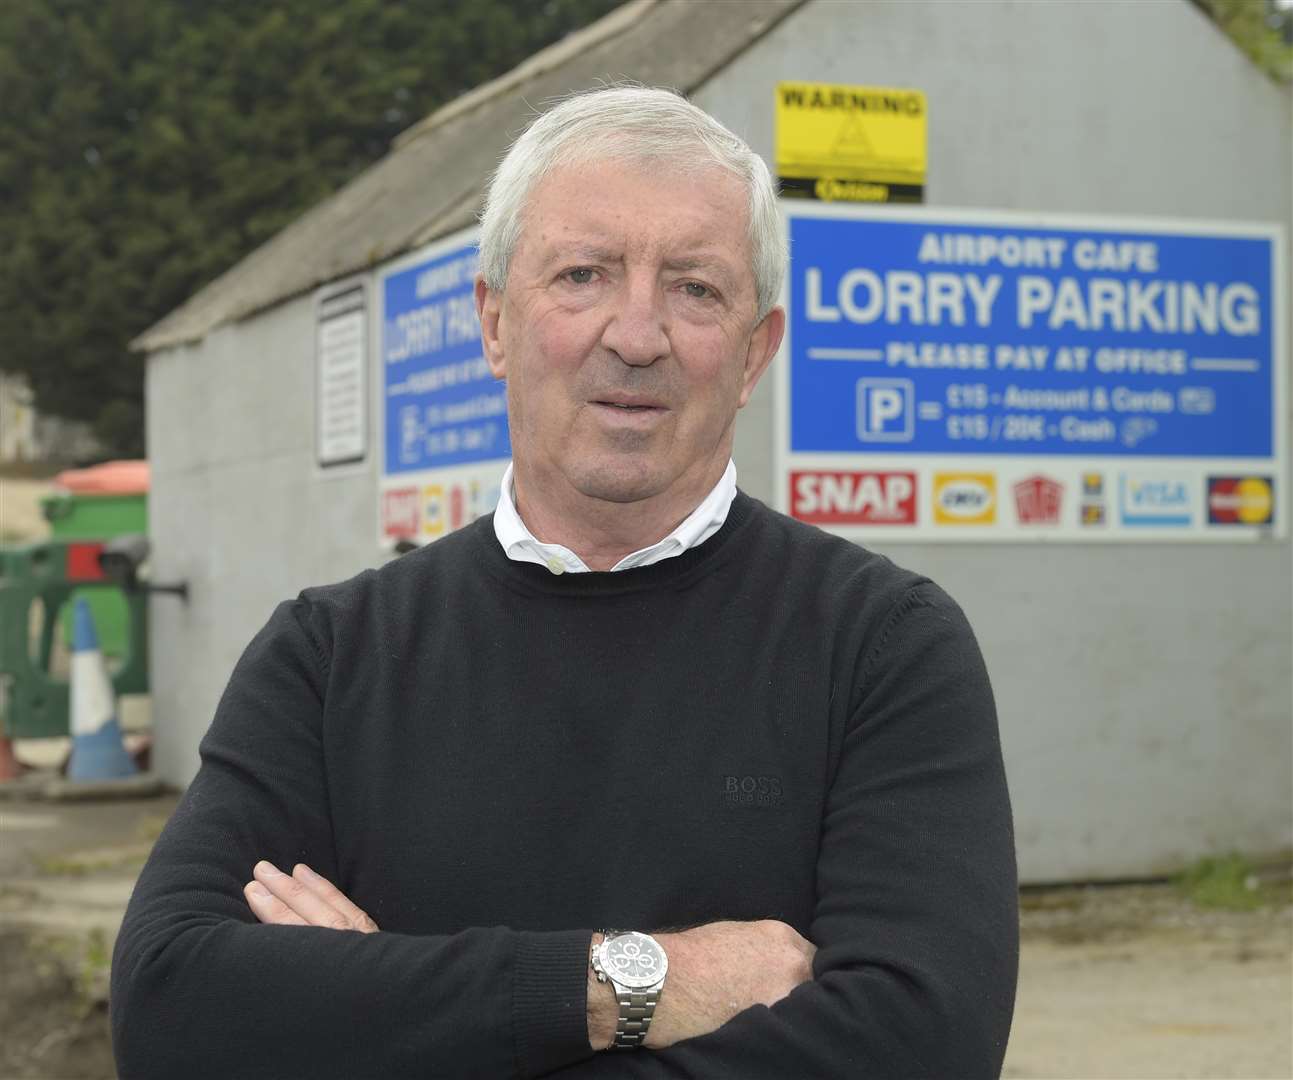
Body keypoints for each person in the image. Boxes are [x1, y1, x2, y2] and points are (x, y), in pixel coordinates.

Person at [111, 86, 1018, 1079]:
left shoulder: (883, 646)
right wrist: (635, 984)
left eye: (696, 289)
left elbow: (919, 1044)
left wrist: (384, 1016)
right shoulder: (331, 658)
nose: (637, 334)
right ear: (494, 322)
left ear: (757, 352)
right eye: (583, 275)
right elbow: (168, 1008)